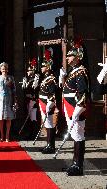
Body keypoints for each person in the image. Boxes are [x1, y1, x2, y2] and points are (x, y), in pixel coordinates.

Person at [59, 37, 90, 176]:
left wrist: (78, 109)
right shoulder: (74, 71)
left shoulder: (81, 71)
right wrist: (62, 80)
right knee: (75, 135)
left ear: (77, 57)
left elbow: (83, 93)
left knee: (78, 136)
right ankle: (75, 163)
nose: (67, 58)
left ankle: (78, 166)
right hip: (71, 107)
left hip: (75, 108)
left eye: (69, 56)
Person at [38, 49, 57, 154]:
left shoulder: (51, 78)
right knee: (47, 123)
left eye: (43, 66)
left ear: (48, 67)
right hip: (42, 102)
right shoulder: (45, 77)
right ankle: (48, 144)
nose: (41, 68)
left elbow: (52, 93)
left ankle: (51, 146)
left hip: (47, 103)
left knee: (50, 123)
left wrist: (49, 104)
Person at [0, 62, 17, 142]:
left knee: (8, 118)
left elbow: (14, 89)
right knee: (0, 118)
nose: (4, 70)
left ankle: (7, 135)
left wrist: (15, 100)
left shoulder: (11, 78)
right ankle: (2, 135)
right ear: (0, 70)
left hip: (9, 99)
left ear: (7, 69)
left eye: (6, 69)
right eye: (3, 69)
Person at [21, 58, 40, 139]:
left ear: (33, 70)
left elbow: (36, 89)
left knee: (33, 118)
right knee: (28, 118)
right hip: (27, 100)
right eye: (28, 70)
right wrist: (24, 84)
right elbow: (24, 90)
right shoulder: (27, 79)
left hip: (33, 100)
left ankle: (34, 134)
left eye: (30, 70)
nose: (28, 72)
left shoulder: (36, 79)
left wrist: (34, 99)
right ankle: (29, 133)